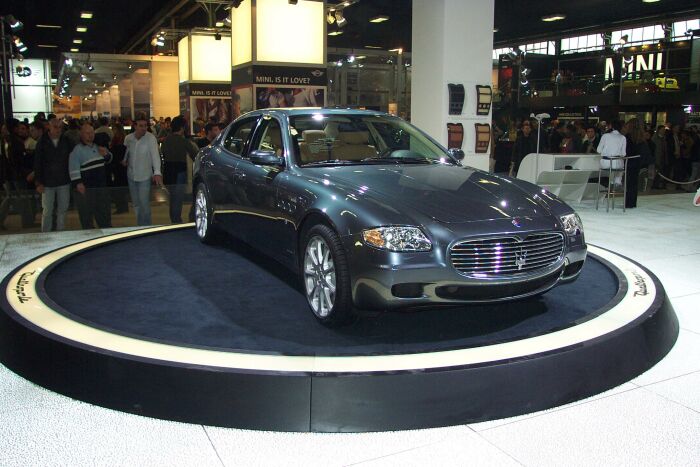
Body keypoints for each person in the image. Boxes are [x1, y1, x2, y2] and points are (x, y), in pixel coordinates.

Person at [69, 122, 112, 229]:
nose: (90, 135)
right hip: (87, 189)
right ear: (82, 134)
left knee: (103, 213)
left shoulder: (98, 146)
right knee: (86, 216)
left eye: (92, 132)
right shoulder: (77, 150)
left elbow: (110, 159)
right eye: (87, 133)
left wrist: (106, 154)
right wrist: (78, 183)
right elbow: (73, 168)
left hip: (101, 187)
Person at [33, 118, 74, 232]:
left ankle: (60, 231)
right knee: (47, 209)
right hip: (47, 182)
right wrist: (38, 182)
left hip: (64, 180)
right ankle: (46, 233)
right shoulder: (42, 142)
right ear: (49, 127)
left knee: (63, 208)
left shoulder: (66, 140)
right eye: (55, 127)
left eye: (60, 127)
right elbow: (38, 163)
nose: (58, 130)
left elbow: (73, 155)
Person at [123, 113, 162, 226]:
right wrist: (124, 160)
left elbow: (155, 156)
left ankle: (147, 226)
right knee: (136, 203)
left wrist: (157, 172)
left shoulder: (150, 138)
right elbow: (126, 153)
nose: (143, 128)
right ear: (135, 126)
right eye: (141, 125)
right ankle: (140, 225)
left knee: (144, 203)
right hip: (131, 175)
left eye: (145, 125)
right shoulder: (128, 138)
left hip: (145, 176)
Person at [161, 116, 198, 223]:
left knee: (172, 199)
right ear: (182, 128)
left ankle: (174, 219)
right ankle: (177, 221)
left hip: (167, 172)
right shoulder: (184, 142)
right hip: (180, 172)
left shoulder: (166, 140)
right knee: (178, 199)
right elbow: (195, 154)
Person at [0, 118, 35, 228]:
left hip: (8, 174)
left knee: (10, 197)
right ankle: (27, 221)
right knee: (23, 197)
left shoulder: (5, 141)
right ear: (15, 128)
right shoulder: (16, 142)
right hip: (17, 175)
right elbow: (18, 161)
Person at [623, 118, 648, 208]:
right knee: (634, 183)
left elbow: (626, 151)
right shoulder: (641, 137)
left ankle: (628, 203)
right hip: (637, 162)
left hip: (629, 162)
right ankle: (632, 202)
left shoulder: (628, 137)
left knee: (629, 183)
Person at [597, 119, 627, 187]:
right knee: (619, 167)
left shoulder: (605, 136)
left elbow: (598, 150)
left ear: (611, 127)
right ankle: (617, 182)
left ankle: (611, 183)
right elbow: (623, 154)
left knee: (610, 168)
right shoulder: (623, 138)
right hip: (617, 164)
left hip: (605, 163)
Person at [109, 124, 129, 214]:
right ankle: (123, 206)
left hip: (118, 167)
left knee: (118, 188)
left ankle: (121, 207)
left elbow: (115, 153)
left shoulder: (116, 141)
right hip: (122, 167)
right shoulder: (124, 140)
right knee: (122, 189)